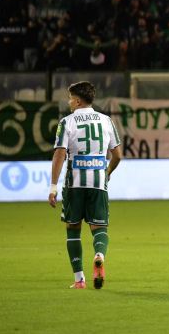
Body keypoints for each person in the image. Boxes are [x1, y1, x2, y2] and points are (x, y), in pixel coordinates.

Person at [48, 81, 122, 289]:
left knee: (73, 228)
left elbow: (60, 154)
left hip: (74, 183)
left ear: (78, 101)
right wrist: (107, 172)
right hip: (98, 182)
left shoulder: (67, 122)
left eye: (71, 99)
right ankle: (99, 255)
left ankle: (79, 279)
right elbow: (117, 155)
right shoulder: (106, 121)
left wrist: (53, 186)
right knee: (99, 227)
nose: (69, 102)